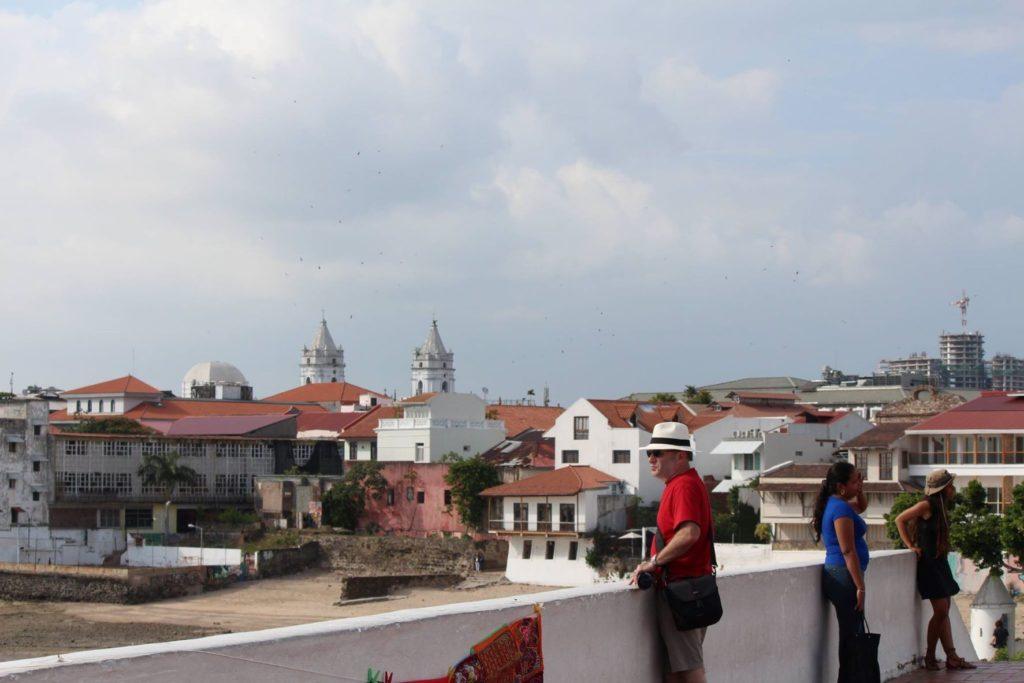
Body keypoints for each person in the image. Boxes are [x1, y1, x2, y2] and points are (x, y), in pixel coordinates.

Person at [630, 422, 713, 683]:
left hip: (683, 590)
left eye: (658, 453)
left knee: (689, 668)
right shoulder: (683, 483)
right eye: (649, 453)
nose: (651, 459)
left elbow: (690, 533)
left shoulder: (683, 486)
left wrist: (653, 562)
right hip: (688, 588)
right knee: (675, 672)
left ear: (680, 455)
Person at [895, 469, 976, 671]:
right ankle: (930, 655)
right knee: (940, 611)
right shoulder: (926, 505)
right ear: (943, 488)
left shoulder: (940, 507)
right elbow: (900, 520)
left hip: (939, 563)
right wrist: (910, 546)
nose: (953, 489)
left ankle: (951, 656)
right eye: (950, 485)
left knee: (944, 611)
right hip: (929, 565)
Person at [812, 461, 869, 682]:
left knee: (852, 632)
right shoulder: (840, 508)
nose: (858, 484)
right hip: (844, 576)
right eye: (854, 481)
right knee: (851, 635)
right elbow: (847, 550)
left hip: (841, 575)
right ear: (841, 487)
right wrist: (860, 586)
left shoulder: (837, 504)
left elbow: (862, 507)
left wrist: (860, 488)